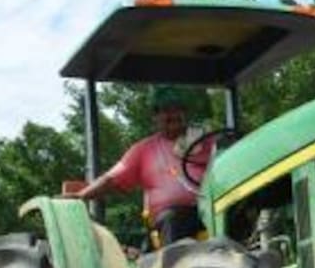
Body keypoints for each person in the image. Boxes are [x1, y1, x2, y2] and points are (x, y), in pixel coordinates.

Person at [69, 86, 216, 246]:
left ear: (185, 113)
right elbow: (112, 179)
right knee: (174, 219)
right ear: (155, 116)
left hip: (212, 208)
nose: (173, 115)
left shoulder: (207, 141)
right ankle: (177, 267)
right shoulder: (144, 150)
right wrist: (81, 195)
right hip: (173, 217)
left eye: (177, 109)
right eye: (166, 110)